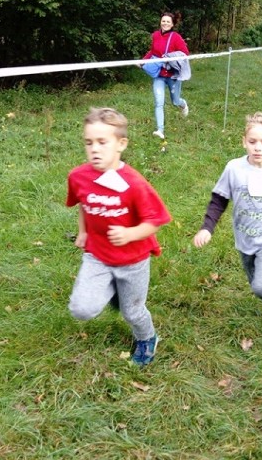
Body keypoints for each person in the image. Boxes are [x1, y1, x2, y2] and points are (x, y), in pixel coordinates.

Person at [66, 108, 171, 366]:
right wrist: (83, 231)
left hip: (132, 260)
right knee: (81, 309)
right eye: (89, 143)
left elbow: (155, 221)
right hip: (97, 255)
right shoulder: (78, 177)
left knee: (132, 311)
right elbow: (83, 202)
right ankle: (111, 288)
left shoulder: (134, 183)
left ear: (121, 144)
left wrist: (130, 233)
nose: (95, 149)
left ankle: (147, 339)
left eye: (103, 142)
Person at [193, 113, 262, 329]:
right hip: (245, 238)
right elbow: (219, 198)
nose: (258, 148)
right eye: (252, 142)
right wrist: (207, 227)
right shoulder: (234, 169)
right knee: (257, 285)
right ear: (244, 142)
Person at [143, 12, 190, 140]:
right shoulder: (155, 35)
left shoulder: (176, 37)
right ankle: (160, 130)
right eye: (163, 21)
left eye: (168, 21)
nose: (165, 23)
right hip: (159, 75)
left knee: (175, 101)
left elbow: (185, 53)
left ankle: (183, 105)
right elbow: (152, 51)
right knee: (159, 102)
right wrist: (143, 61)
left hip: (172, 75)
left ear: (173, 24)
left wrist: (169, 58)